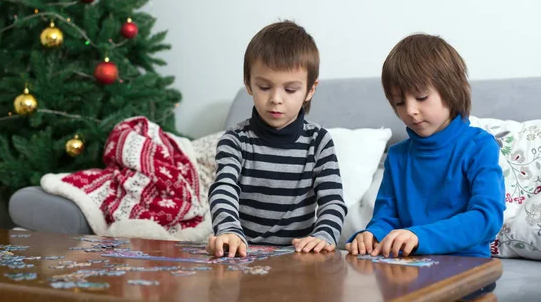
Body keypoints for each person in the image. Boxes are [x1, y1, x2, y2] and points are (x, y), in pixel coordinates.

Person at [346, 33, 505, 258]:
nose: (410, 110)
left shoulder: (479, 146)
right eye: (400, 102)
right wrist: (372, 235)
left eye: (421, 97)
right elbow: (386, 218)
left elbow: (486, 218)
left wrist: (419, 236)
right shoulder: (398, 156)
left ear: (451, 91)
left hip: (466, 270)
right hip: (407, 269)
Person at [208, 20, 347, 258]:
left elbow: (333, 201)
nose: (276, 99)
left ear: (310, 90)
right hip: (242, 253)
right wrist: (229, 230)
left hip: (299, 257)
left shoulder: (319, 141)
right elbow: (223, 189)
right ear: (248, 84)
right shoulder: (235, 140)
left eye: (290, 90)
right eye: (264, 87)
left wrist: (322, 235)